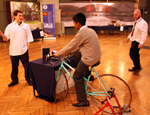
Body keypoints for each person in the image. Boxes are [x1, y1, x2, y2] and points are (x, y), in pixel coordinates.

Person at [54, 13, 102, 107]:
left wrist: (59, 53)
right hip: (96, 56)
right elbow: (79, 45)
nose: (73, 25)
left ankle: (83, 100)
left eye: (74, 23)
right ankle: (87, 74)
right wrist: (70, 51)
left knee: (76, 76)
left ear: (78, 23)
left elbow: (71, 45)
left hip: (89, 58)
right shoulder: (90, 30)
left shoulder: (81, 33)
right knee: (76, 54)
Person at [0, 10, 34, 87]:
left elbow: (29, 37)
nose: (21, 17)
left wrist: (27, 48)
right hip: (13, 51)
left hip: (23, 50)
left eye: (22, 16)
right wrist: (1, 34)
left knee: (27, 67)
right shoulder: (9, 26)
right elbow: (6, 38)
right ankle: (14, 80)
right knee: (14, 67)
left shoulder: (26, 26)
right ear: (14, 16)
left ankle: (28, 79)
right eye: (19, 15)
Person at [127, 9, 148, 74]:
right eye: (134, 15)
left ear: (140, 15)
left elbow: (144, 33)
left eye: (136, 14)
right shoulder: (137, 22)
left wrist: (141, 43)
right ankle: (137, 67)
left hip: (137, 42)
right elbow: (134, 31)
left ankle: (137, 67)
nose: (134, 16)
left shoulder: (142, 23)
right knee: (135, 54)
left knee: (132, 54)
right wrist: (129, 37)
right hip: (134, 40)